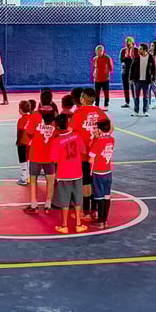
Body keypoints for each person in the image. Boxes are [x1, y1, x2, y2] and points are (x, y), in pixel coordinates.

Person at [50, 113, 88, 234]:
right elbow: (83, 150)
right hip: (77, 172)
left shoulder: (56, 141)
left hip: (63, 174)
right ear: (67, 124)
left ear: (57, 127)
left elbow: (54, 159)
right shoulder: (76, 136)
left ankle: (64, 225)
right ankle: (78, 224)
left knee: (64, 200)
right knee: (78, 198)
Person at [73, 88, 106, 218]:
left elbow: (70, 130)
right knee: (95, 181)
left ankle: (85, 211)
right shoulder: (99, 111)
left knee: (86, 182)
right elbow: (110, 126)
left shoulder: (78, 113)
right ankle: (95, 210)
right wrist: (101, 135)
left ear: (82, 99)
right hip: (97, 154)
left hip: (83, 154)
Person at [24, 99, 58, 214]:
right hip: (50, 155)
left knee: (33, 180)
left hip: (35, 154)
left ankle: (34, 204)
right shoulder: (55, 117)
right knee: (50, 180)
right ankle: (48, 205)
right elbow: (58, 135)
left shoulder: (35, 116)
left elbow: (29, 132)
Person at [89, 119, 115, 228]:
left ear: (99, 129)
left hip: (98, 172)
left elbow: (91, 156)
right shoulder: (112, 140)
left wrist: (95, 138)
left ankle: (100, 221)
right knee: (107, 196)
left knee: (99, 197)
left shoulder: (99, 142)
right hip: (108, 171)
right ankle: (105, 220)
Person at [130, 43, 155, 117]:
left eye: (140, 49)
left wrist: (153, 78)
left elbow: (153, 69)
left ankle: (145, 110)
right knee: (136, 96)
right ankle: (136, 110)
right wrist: (131, 78)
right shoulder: (136, 57)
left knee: (146, 96)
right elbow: (132, 68)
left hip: (146, 81)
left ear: (145, 50)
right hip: (137, 80)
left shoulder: (150, 57)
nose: (138, 50)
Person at [16, 100, 35, 186]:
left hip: (22, 143)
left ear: (20, 109)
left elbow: (20, 132)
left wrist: (18, 141)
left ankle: (23, 179)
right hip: (30, 143)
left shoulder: (21, 120)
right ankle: (29, 178)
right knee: (28, 159)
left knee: (23, 161)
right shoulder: (31, 117)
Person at [92, 45, 113, 110]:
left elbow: (111, 68)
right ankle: (96, 105)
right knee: (96, 93)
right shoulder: (95, 59)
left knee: (106, 93)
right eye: (96, 51)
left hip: (105, 79)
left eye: (99, 51)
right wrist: (95, 74)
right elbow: (95, 67)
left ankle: (106, 105)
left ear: (102, 51)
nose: (98, 53)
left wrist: (106, 74)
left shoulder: (107, 58)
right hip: (97, 80)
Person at [119, 37, 137, 109]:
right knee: (125, 87)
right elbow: (121, 60)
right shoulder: (123, 50)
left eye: (128, 43)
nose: (127, 44)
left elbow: (136, 60)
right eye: (126, 43)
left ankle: (136, 103)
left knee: (133, 88)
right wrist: (129, 59)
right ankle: (127, 102)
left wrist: (127, 59)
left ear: (132, 43)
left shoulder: (136, 50)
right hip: (125, 71)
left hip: (133, 72)